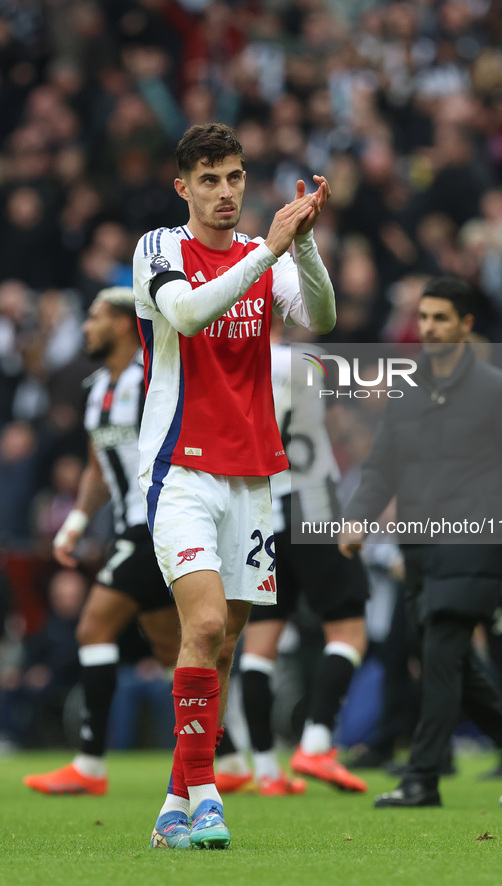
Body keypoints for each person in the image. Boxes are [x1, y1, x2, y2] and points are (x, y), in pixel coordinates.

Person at [133, 123, 335, 849]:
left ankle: (172, 806)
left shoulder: (261, 253)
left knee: (220, 647)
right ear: (184, 186)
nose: (225, 193)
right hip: (180, 470)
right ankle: (210, 795)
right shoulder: (159, 248)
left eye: (235, 179)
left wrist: (302, 243)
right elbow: (186, 312)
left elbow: (321, 316)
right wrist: (271, 253)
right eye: (210, 181)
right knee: (208, 624)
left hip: (252, 477)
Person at [339, 275, 502, 808]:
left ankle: (422, 778)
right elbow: (382, 466)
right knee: (448, 660)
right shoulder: (406, 390)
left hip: (478, 540)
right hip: (419, 546)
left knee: (441, 645)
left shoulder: (497, 391)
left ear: (466, 324)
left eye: (441, 318)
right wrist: (358, 518)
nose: (429, 327)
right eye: (423, 317)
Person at [23, 287, 180, 796]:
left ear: (118, 323)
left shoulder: (151, 380)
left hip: (154, 524)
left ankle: (90, 765)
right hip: (125, 527)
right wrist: (74, 525)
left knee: (93, 628)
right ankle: (226, 749)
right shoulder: (97, 388)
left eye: (93, 318)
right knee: (174, 649)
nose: (85, 327)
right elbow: (96, 466)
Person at [216, 333, 369, 796]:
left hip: (260, 510)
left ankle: (266, 770)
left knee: (261, 644)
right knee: (348, 630)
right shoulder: (311, 360)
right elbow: (344, 419)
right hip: (312, 501)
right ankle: (316, 742)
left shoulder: (230, 360)